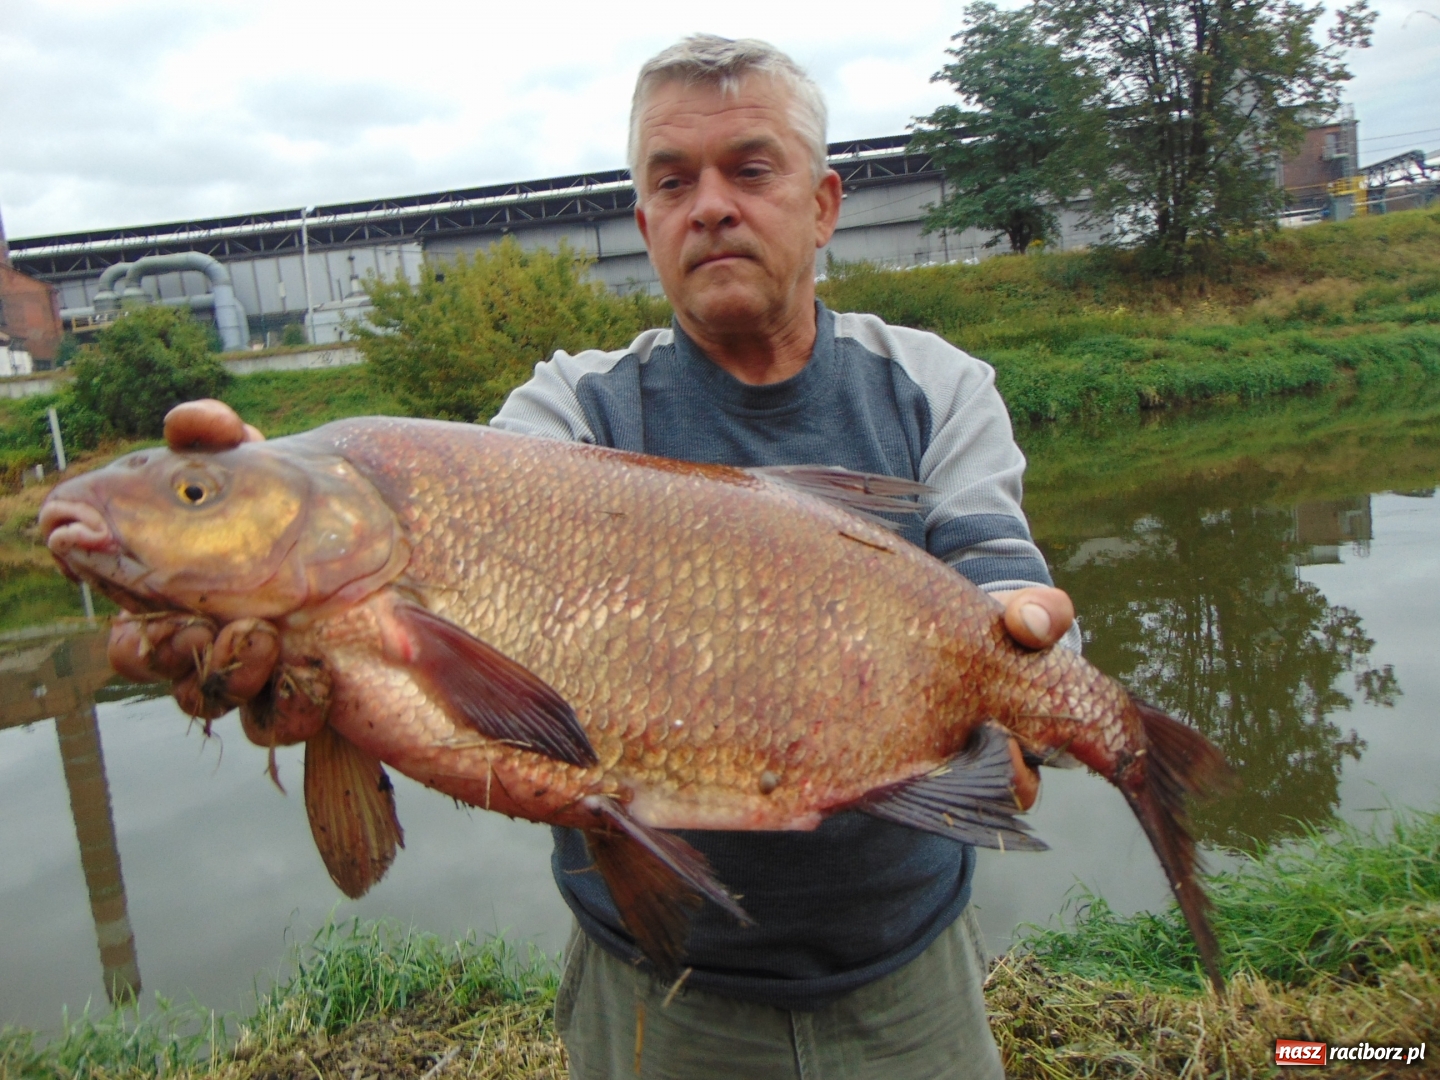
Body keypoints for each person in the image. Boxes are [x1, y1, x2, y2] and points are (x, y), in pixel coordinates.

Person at [119, 34, 1077, 1080]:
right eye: (673, 181)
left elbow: (1004, 590)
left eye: (750, 170)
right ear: (645, 221)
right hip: (656, 998)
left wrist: (1044, 685)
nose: (710, 204)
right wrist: (264, 546)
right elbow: (432, 565)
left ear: (825, 202)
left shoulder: (938, 385)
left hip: (910, 985)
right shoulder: (567, 414)